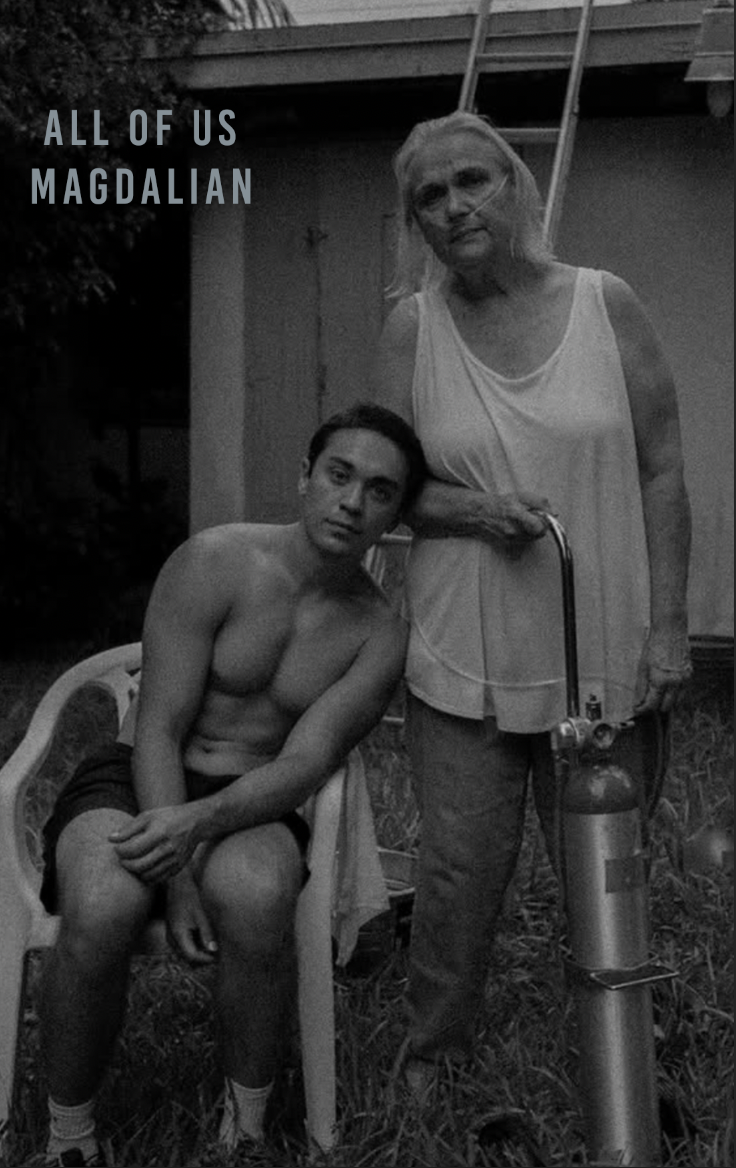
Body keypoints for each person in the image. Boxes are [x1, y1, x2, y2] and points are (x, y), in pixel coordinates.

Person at [371, 111, 692, 1091]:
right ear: (417, 222)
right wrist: (475, 509)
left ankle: (623, 1056)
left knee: (607, 863)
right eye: (430, 195)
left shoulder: (606, 303)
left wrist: (669, 624)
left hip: (599, 652)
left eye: (473, 179)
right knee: (459, 875)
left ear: (516, 187)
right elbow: (381, 483)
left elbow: (661, 467)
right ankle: (433, 1056)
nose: (454, 204)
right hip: (461, 657)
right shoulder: (410, 327)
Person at [37, 402, 427, 1167]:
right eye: (339, 475)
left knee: (256, 897)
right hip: (137, 774)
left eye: (379, 492)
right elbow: (157, 726)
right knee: (102, 899)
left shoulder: (379, 633)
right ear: (305, 477)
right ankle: (68, 1138)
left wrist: (201, 826)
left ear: (396, 515)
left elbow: (305, 765)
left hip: (255, 797)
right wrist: (178, 871)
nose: (352, 502)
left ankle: (243, 1134)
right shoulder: (213, 561)